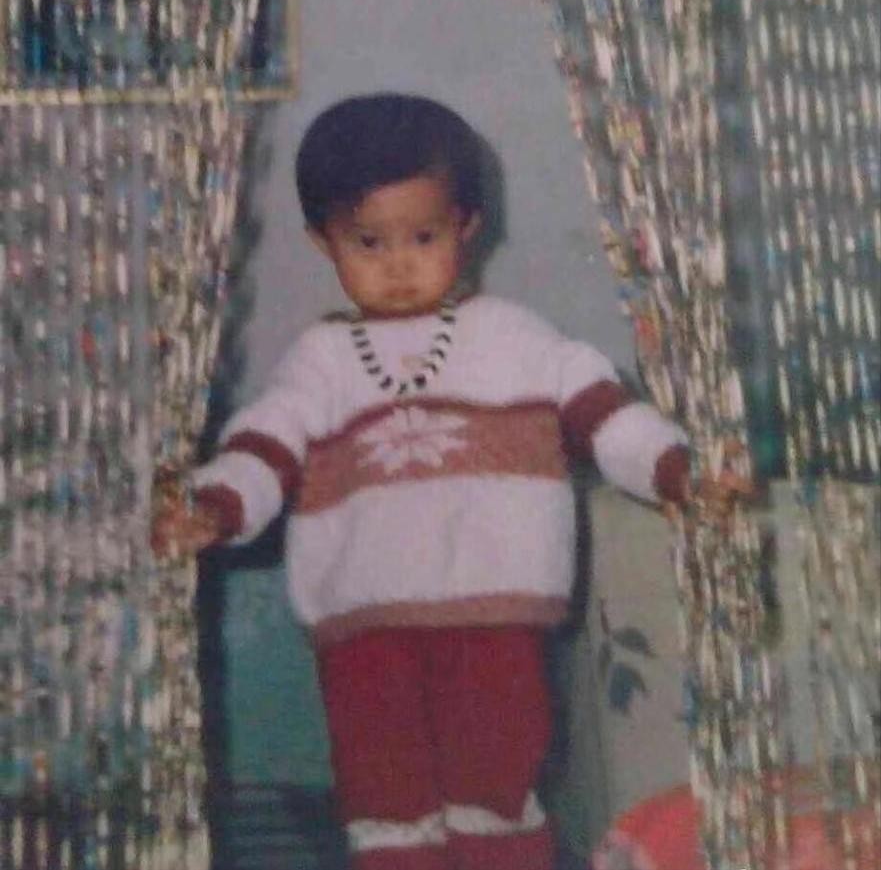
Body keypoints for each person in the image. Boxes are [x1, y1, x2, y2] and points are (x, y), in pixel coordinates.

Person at [152, 93, 749, 870]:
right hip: (363, 629)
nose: (398, 264)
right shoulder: (320, 361)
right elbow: (262, 446)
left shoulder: (515, 339)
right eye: (368, 241)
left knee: (495, 787)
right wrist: (213, 507)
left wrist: (676, 471)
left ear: (466, 227)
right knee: (384, 800)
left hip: (495, 616)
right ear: (323, 241)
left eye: (424, 237)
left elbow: (608, 417)